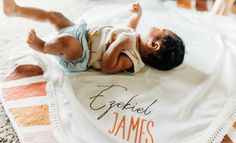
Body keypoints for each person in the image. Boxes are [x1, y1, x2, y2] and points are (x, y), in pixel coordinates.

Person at [3, 0, 185, 73]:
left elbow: (108, 67)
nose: (155, 26)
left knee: (64, 43)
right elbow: (128, 27)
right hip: (82, 33)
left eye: (159, 29)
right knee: (56, 16)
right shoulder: (134, 36)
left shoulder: (132, 59)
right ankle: (15, 11)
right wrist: (136, 16)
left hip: (81, 53)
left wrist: (117, 46)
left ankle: (42, 46)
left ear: (154, 45)